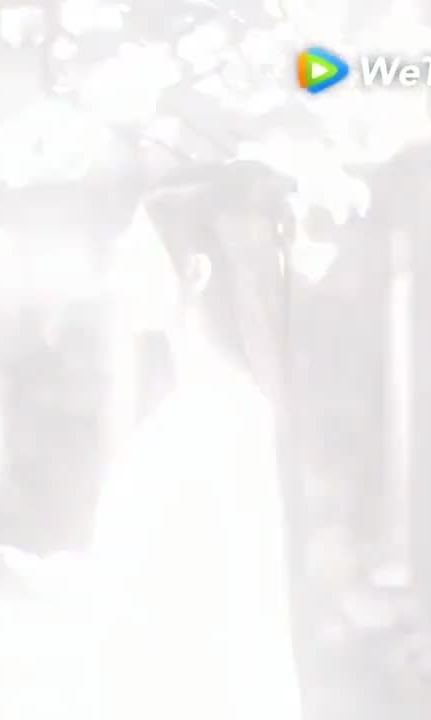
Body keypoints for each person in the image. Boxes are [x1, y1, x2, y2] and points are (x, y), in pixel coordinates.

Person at [86, 159, 306, 719]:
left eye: (136, 256)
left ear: (195, 272)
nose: (117, 277)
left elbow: (231, 623)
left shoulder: (223, 418)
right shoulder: (204, 411)